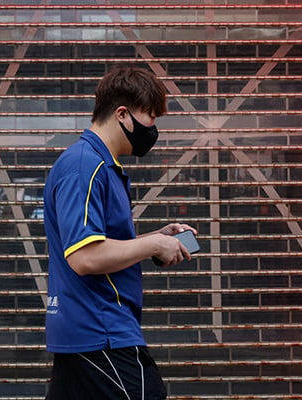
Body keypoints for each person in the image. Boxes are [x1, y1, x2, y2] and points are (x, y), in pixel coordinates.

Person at [43, 66, 197, 400]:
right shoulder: (86, 166)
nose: (153, 129)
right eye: (151, 117)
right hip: (102, 332)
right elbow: (84, 257)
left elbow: (97, 244)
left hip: (88, 331)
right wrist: (155, 243)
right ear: (122, 114)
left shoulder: (100, 166)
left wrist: (154, 239)